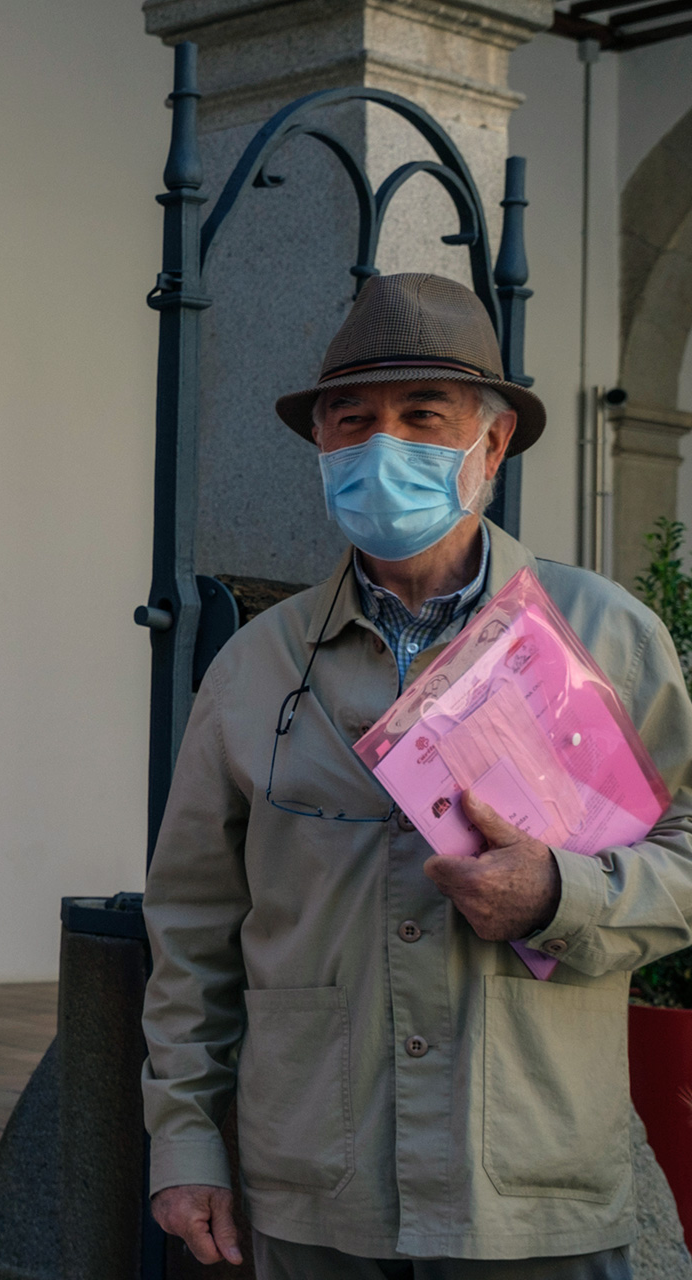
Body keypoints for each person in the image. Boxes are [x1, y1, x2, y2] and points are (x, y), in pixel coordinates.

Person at [142, 274, 692, 1279]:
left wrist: (560, 892)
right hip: (315, 1189)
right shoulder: (254, 667)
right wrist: (183, 1143)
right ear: (321, 451)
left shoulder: (605, 638)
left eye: (421, 416)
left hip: (530, 1191)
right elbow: (191, 928)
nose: (381, 446)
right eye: (351, 421)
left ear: (490, 447)